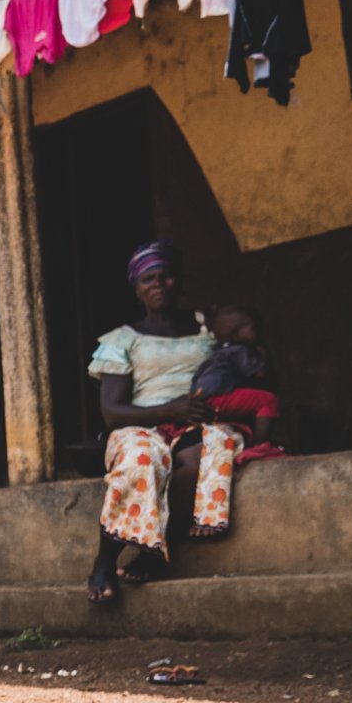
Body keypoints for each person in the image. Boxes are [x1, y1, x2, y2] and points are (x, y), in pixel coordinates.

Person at [87, 242, 245, 604]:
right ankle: (104, 560)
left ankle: (155, 550)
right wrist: (169, 411)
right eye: (148, 278)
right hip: (143, 423)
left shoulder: (208, 328)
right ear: (137, 287)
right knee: (140, 459)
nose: (158, 284)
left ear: (179, 281)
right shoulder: (122, 340)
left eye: (166, 276)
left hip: (198, 421)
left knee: (207, 453)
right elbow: (112, 411)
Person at [190, 305, 279, 448]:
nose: (260, 333)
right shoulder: (240, 350)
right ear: (235, 335)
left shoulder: (218, 352)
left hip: (199, 399)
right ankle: (260, 447)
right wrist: (262, 350)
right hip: (218, 396)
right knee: (268, 401)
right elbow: (259, 372)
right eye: (254, 329)